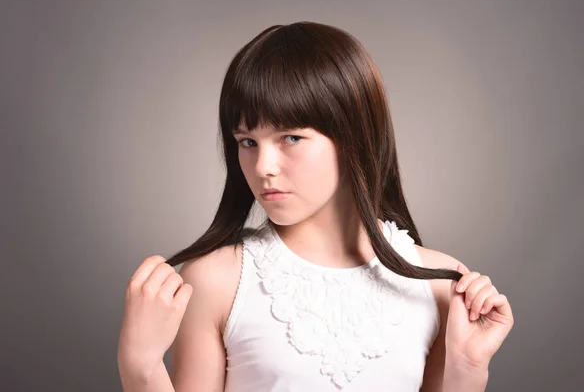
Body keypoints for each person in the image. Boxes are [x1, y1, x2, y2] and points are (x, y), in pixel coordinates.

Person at [118, 21, 514, 392]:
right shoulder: (215, 282)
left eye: (290, 138)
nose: (262, 167)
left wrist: (467, 370)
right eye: (247, 142)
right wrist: (141, 368)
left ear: (355, 136)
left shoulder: (441, 285)